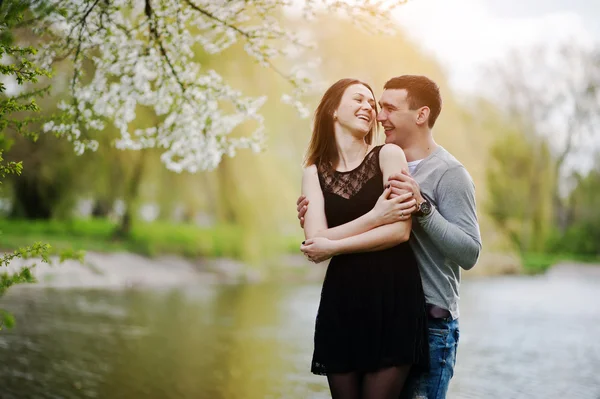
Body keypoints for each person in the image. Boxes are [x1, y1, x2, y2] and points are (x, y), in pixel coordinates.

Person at [298, 75, 482, 399]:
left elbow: (468, 253)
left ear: (420, 115)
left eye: (386, 108)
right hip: (363, 306)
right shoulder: (360, 163)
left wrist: (422, 207)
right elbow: (322, 236)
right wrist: (326, 220)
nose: (378, 116)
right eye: (374, 106)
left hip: (429, 318)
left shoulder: (448, 173)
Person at [300, 77, 430, 399]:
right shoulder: (313, 172)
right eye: (359, 99)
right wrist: (375, 217)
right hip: (342, 302)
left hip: (393, 297)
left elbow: (399, 231)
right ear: (332, 110)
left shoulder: (389, 155)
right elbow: (314, 242)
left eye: (372, 104)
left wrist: (333, 244)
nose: (369, 108)